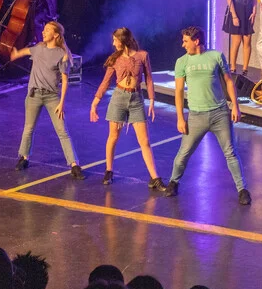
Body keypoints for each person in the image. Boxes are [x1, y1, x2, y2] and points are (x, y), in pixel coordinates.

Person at [163, 26, 249, 202]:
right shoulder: (182, 62)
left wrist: (235, 106)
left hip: (220, 114)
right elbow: (178, 91)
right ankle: (173, 182)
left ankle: (242, 190)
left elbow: (229, 82)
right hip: (196, 116)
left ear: (196, 41)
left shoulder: (216, 56)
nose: (183, 44)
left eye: (186, 41)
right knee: (183, 153)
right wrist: (180, 117)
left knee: (230, 152)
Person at [90, 27, 164, 191]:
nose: (113, 43)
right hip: (119, 98)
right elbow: (105, 81)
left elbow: (149, 78)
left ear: (122, 40)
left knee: (144, 141)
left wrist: (152, 99)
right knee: (113, 137)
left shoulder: (142, 56)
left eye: (115, 40)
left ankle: (155, 178)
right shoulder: (115, 58)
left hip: (136, 99)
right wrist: (95, 102)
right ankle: (109, 170)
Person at [11, 21, 81, 179]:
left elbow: (65, 81)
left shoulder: (62, 54)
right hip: (34, 95)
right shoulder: (39, 48)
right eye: (44, 29)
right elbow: (26, 51)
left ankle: (74, 164)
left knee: (62, 131)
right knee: (28, 128)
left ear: (56, 35)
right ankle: (24, 158)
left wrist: (61, 103)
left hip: (52, 97)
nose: (43, 32)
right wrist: (16, 54)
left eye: (47, 30)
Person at [223, 0, 257, 75]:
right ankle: (233, 67)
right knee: (236, 41)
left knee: (247, 40)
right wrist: (234, 16)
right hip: (237, 8)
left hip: (248, 9)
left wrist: (254, 12)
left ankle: (245, 69)